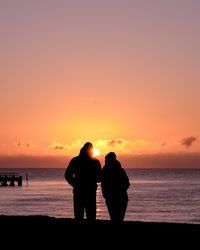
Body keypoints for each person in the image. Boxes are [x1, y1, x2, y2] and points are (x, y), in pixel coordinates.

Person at [65, 142, 102, 221]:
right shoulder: (95, 162)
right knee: (90, 216)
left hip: (81, 191)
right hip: (88, 191)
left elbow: (67, 175)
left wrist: (75, 184)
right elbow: (100, 177)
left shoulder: (76, 160)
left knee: (79, 215)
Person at [101, 152, 130, 222]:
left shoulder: (107, 171)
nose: (106, 161)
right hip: (115, 197)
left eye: (107, 159)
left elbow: (127, 183)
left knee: (115, 218)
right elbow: (127, 183)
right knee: (117, 218)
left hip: (117, 197)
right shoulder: (118, 170)